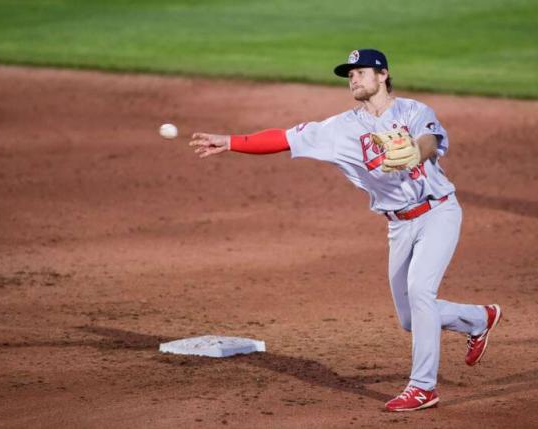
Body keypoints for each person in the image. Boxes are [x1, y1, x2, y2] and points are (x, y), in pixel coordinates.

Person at [189, 49, 502, 412]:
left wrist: (416, 153)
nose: (353, 78)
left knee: (420, 292)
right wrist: (230, 142)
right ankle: (479, 318)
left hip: (438, 212)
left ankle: (423, 387)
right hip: (398, 225)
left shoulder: (414, 111)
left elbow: (429, 141)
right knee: (409, 318)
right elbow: (285, 138)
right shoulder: (339, 130)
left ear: (383, 75)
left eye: (361, 71)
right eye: (349, 74)